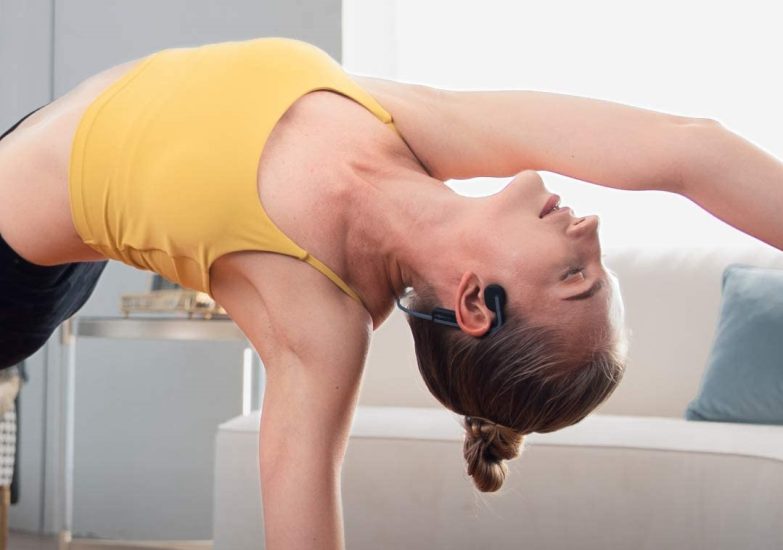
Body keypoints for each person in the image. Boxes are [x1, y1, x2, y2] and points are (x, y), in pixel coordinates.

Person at [0, 36, 780, 549]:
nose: (591, 232)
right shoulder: (421, 131)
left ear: (476, 304)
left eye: (575, 277)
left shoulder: (320, 320)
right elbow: (689, 151)